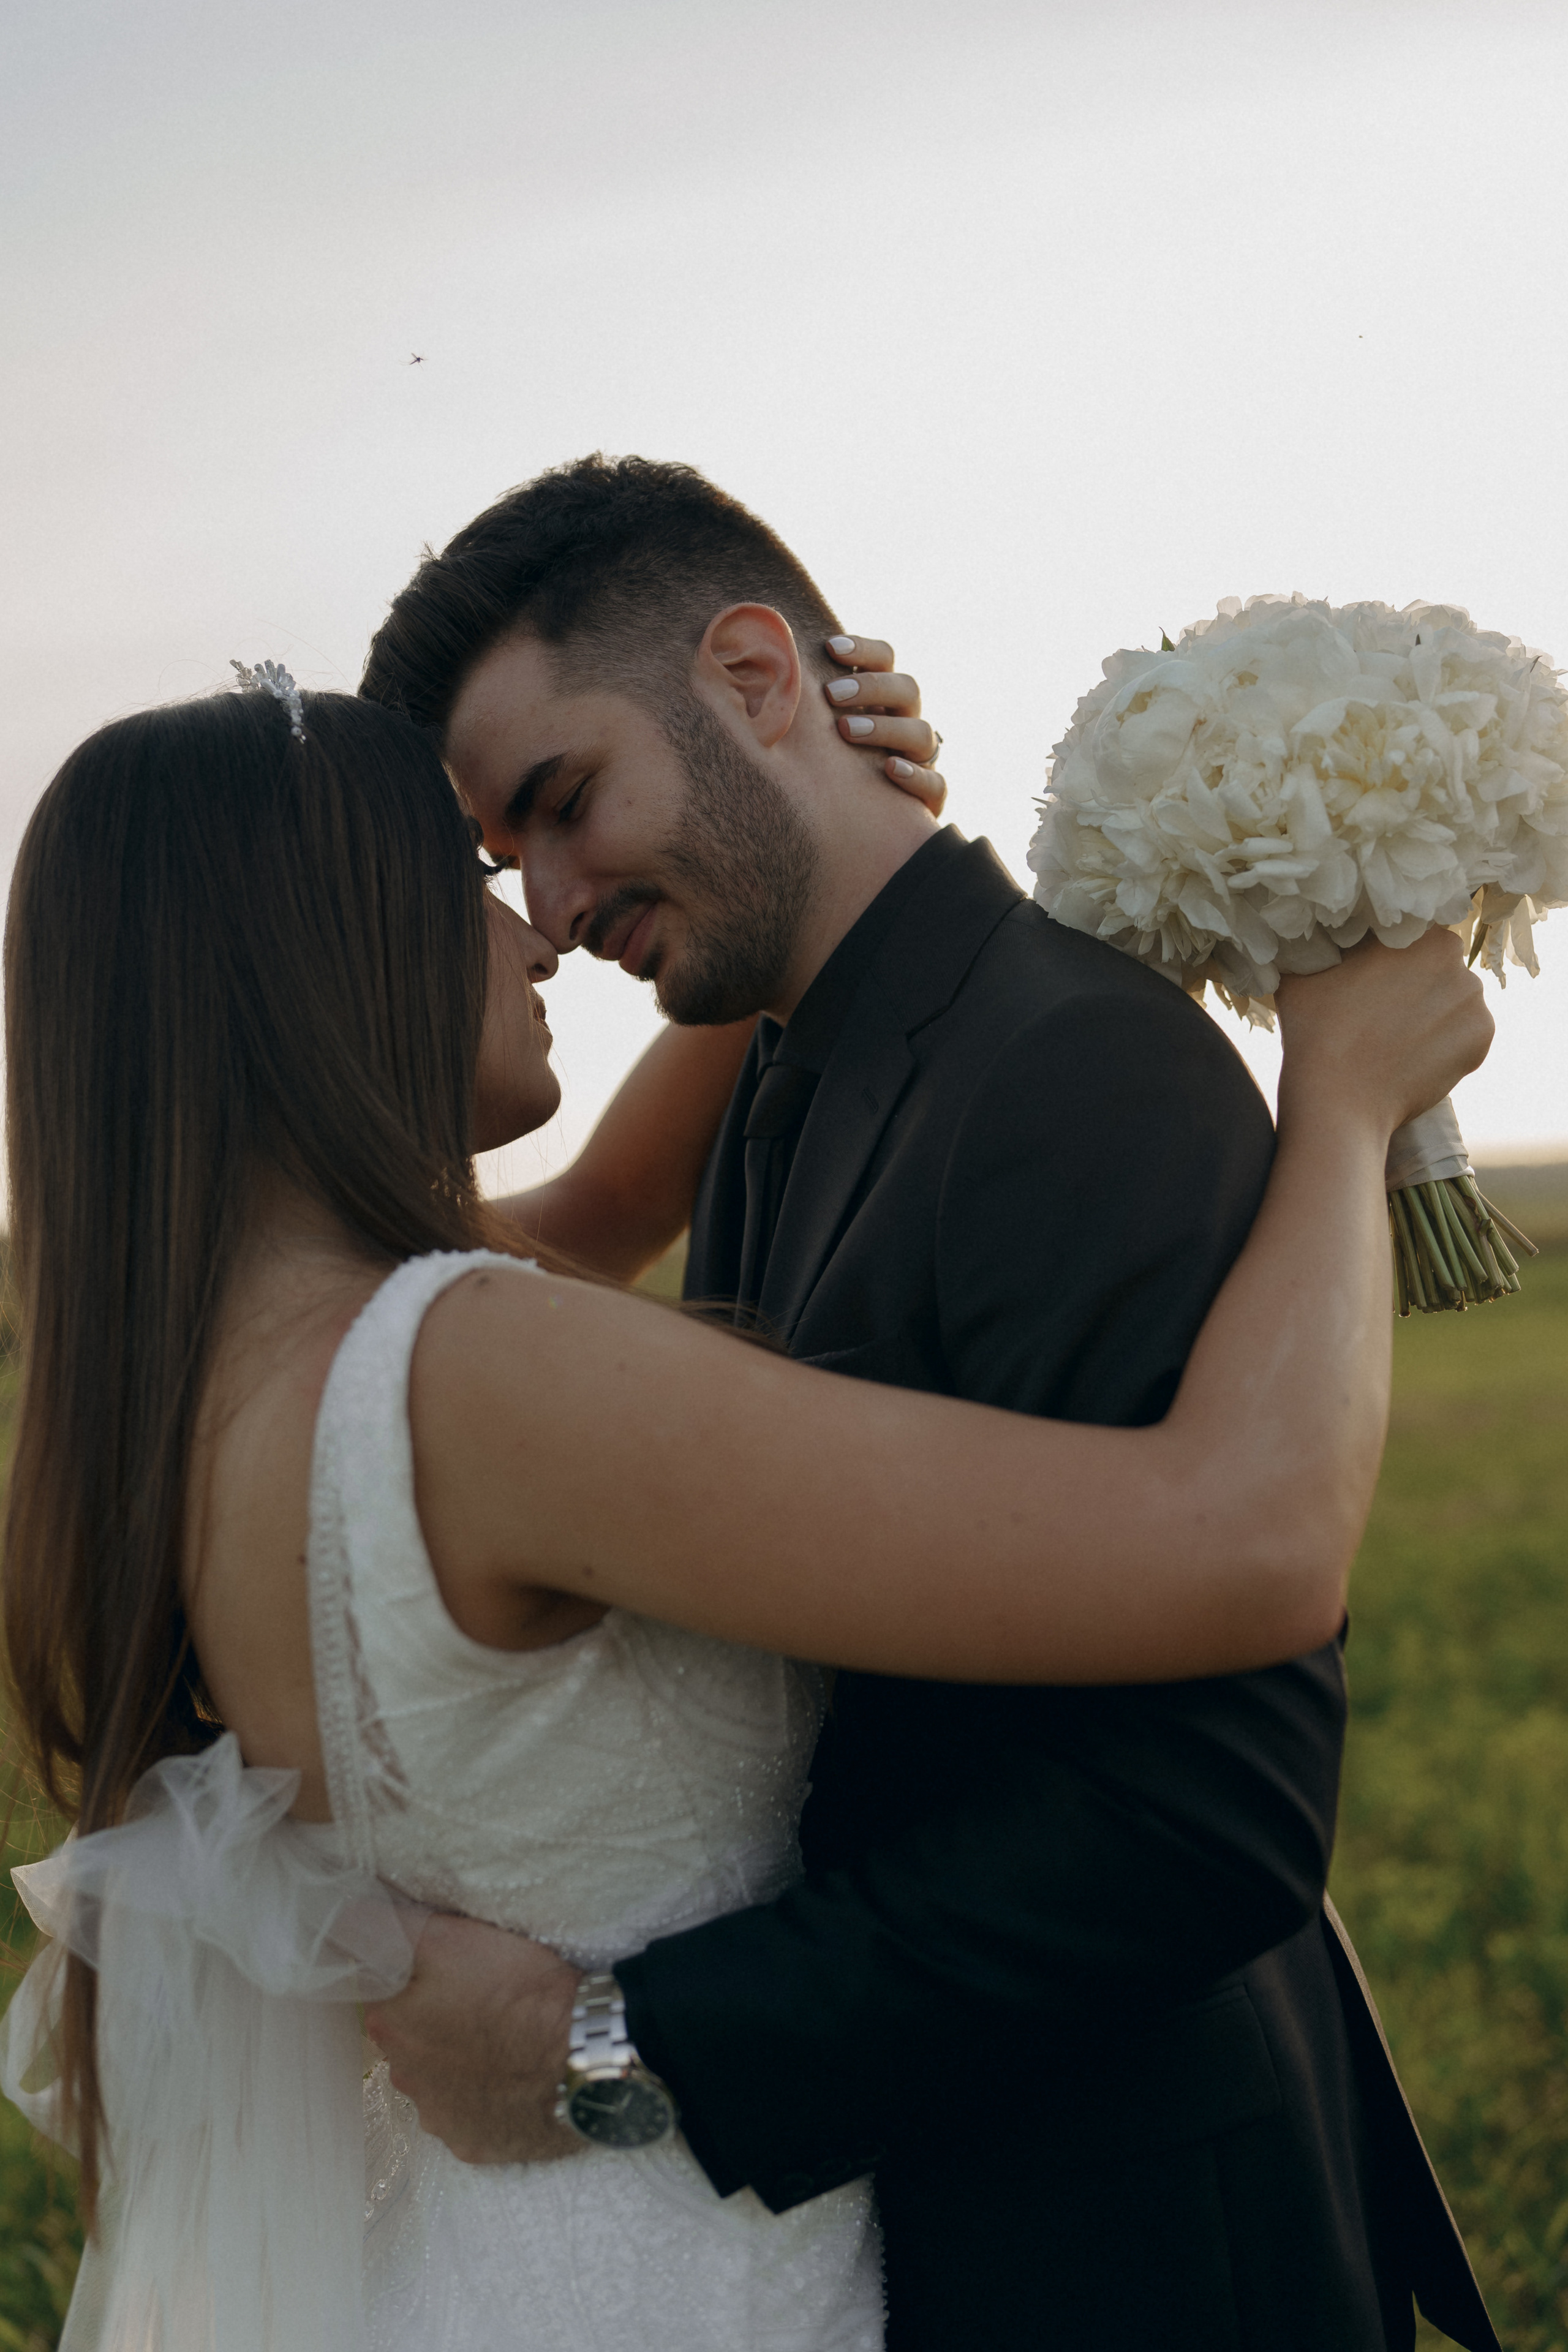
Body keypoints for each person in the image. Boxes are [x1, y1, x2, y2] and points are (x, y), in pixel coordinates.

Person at [0, 664, 1487, 2350]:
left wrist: (824, 840)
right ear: (319, 948)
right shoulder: (480, 1375)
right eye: (470, 883)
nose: (539, 932)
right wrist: (1345, 1106)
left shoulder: (223, 1370)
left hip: (487, 2264)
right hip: (672, 2267)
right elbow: (1254, 1541)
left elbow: (618, 1195)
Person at [355, 454, 1504, 2352]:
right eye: (508, 863)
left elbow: (1207, 1813)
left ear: (753, 675)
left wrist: (628, 2044)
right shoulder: (794, 1060)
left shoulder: (1074, 1072)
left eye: (562, 806)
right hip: (940, 2200)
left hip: (1132, 2237)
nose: (546, 911)